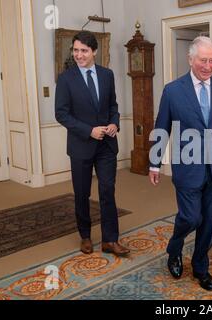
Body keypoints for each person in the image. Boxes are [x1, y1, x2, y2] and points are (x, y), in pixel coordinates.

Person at [149, 36, 212, 291]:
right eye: (203, 60)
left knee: (209, 221)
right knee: (190, 217)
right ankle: (174, 248)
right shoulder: (173, 90)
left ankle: (201, 267)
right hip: (187, 167)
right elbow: (161, 128)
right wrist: (154, 163)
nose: (208, 66)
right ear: (190, 60)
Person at [55, 31, 130, 257]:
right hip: (80, 146)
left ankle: (110, 240)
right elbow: (61, 114)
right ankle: (85, 236)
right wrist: (89, 131)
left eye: (84, 51)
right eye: (75, 50)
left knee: (108, 190)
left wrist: (115, 123)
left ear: (94, 52)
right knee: (82, 193)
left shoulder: (107, 75)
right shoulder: (66, 78)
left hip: (107, 146)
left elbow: (113, 106)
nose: (79, 55)